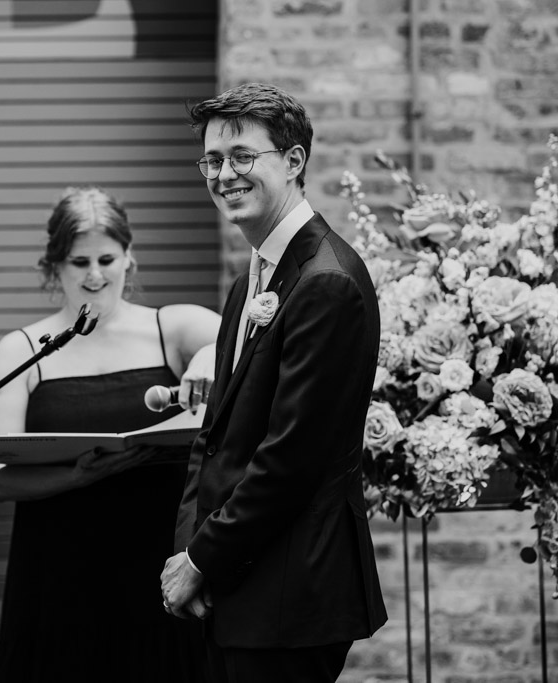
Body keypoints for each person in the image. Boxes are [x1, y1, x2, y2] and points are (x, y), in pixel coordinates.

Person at [160, 83, 388, 682]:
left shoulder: (326, 283)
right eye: (211, 160)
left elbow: (291, 456)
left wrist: (203, 560)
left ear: (293, 162)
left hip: (290, 590)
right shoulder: (253, 279)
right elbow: (213, 440)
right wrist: (189, 553)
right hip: (235, 585)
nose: (222, 174)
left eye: (241, 157)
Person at [0, 186, 221, 683]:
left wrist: (204, 360)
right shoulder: (20, 349)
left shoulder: (169, 327)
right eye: (78, 262)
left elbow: (240, 336)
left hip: (155, 559)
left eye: (107, 259)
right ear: (54, 267)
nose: (94, 275)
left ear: (129, 259)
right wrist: (79, 474)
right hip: (58, 566)